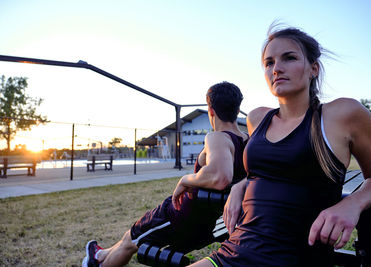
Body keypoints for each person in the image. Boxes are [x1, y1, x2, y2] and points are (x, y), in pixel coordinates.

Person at [190, 25, 371, 267]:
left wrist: (351, 203)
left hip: (296, 257)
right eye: (269, 63)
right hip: (234, 251)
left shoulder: (343, 114)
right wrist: (241, 185)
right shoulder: (257, 118)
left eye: (289, 58)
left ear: (313, 68)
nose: (276, 68)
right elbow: (272, 171)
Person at [82, 81, 249, 267]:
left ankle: (96, 262)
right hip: (206, 224)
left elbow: (220, 176)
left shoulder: (217, 137)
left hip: (178, 217)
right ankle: (99, 254)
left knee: (130, 242)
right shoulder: (247, 141)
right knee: (130, 236)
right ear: (237, 108)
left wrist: (185, 179)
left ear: (210, 110)